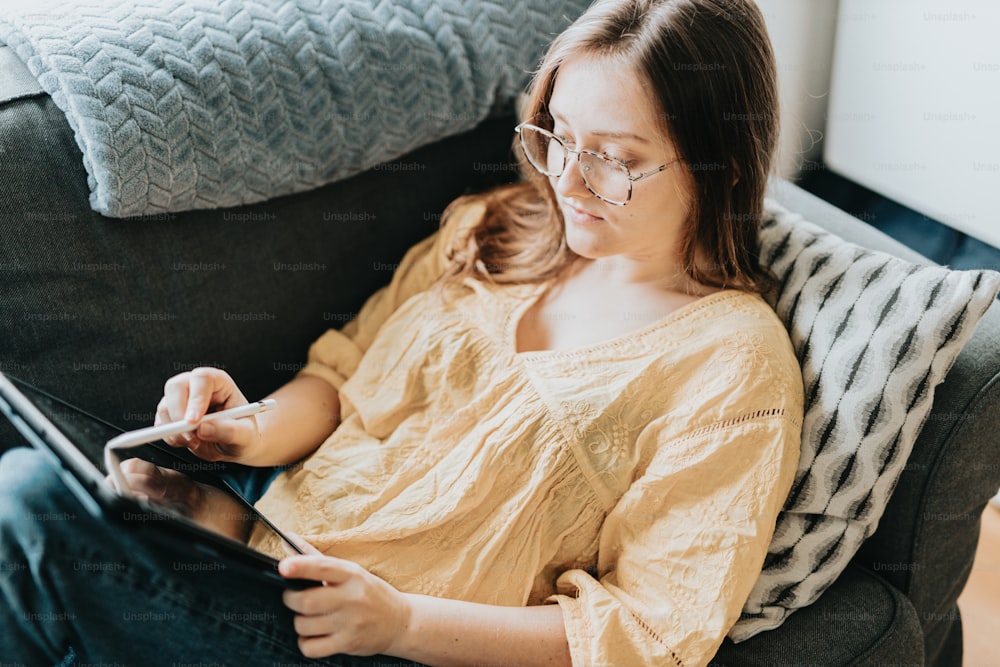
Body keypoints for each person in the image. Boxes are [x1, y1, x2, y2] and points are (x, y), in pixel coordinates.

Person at [0, 0, 803, 665]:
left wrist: (402, 623)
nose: (566, 180)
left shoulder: (732, 364)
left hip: (373, 643)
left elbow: (650, 633)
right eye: (557, 136)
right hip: (260, 538)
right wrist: (241, 428)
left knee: (28, 507)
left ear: (719, 166)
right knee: (36, 463)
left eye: (613, 159)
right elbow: (344, 377)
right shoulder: (499, 227)